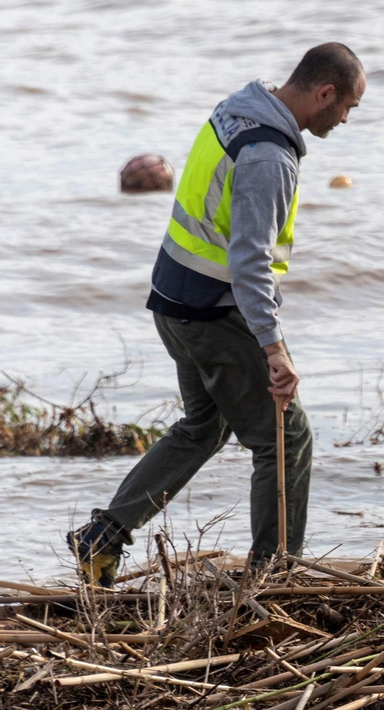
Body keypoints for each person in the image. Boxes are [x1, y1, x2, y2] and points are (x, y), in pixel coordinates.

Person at [66, 44, 366, 586]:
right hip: (212, 313)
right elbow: (250, 262)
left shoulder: (239, 107)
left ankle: (102, 537)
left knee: (203, 426)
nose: (345, 119)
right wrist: (273, 348)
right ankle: (273, 578)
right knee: (285, 439)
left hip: (173, 301)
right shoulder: (269, 157)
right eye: (348, 106)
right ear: (325, 93)